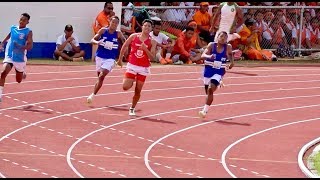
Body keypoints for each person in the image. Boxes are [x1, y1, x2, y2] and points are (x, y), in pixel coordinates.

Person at [117, 19, 157, 116]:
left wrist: (145, 49)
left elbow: (153, 58)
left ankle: (132, 108)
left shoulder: (152, 41)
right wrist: (120, 59)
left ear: (151, 29)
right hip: (132, 65)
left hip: (143, 68)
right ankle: (133, 78)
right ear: (142, 26)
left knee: (138, 90)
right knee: (125, 87)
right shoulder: (134, 36)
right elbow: (125, 45)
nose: (147, 27)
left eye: (149, 26)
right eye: (145, 25)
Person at [86, 16, 126, 104]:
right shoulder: (103, 31)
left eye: (116, 23)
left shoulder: (118, 34)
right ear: (109, 22)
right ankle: (95, 90)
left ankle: (92, 95)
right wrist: (97, 42)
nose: (114, 24)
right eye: (113, 22)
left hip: (110, 59)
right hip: (100, 56)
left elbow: (125, 42)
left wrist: (122, 56)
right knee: (99, 78)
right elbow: (92, 40)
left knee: (101, 76)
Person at [198, 31, 234, 118]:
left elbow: (230, 55)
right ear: (217, 37)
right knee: (208, 92)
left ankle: (204, 111)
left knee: (210, 89)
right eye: (221, 37)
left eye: (225, 38)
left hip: (219, 71)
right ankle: (218, 83)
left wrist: (232, 62)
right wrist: (209, 57)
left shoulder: (228, 47)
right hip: (208, 71)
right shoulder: (211, 45)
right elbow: (203, 55)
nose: (223, 39)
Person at [0, 13, 33, 102]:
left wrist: (20, 47)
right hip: (10, 55)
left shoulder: (28, 32)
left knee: (18, 80)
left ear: (27, 22)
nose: (22, 21)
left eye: (24, 20)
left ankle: (22, 72)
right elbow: (10, 35)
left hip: (20, 58)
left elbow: (30, 46)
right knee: (3, 73)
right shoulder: (13, 28)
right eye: (21, 19)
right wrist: (2, 43)